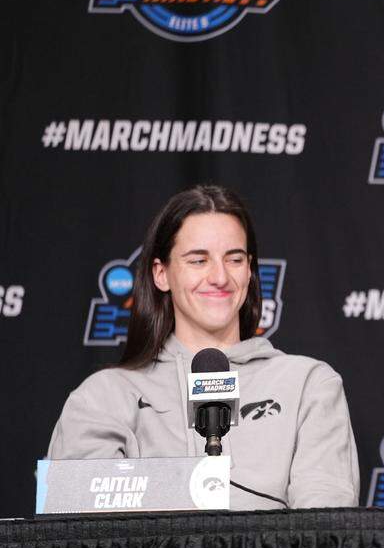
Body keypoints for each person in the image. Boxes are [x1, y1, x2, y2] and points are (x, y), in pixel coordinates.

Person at [48, 185, 359, 509]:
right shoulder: (104, 396)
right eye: (198, 260)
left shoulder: (309, 384)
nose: (220, 276)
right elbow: (82, 542)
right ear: (161, 274)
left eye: (234, 259)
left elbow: (326, 533)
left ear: (249, 270)